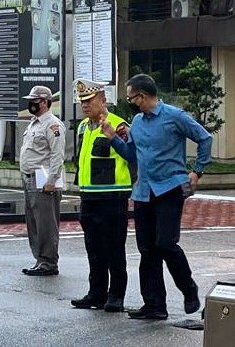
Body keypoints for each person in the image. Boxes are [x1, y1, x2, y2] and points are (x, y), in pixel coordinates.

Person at [100, 73, 212, 319]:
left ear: (142, 96)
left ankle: (188, 288)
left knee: (165, 243)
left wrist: (197, 172)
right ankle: (154, 305)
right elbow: (132, 155)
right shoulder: (137, 122)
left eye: (131, 98)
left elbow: (205, 138)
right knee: (147, 249)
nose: (131, 102)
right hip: (144, 192)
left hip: (170, 188)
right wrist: (112, 137)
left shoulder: (175, 116)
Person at [70, 79, 132, 313]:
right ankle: (96, 293)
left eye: (89, 101)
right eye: (82, 102)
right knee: (94, 249)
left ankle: (116, 295)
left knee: (114, 248)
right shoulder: (84, 127)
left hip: (112, 196)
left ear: (103, 101)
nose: (85, 105)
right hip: (89, 197)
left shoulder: (119, 126)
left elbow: (131, 157)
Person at [19, 85, 66, 276]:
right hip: (30, 177)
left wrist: (52, 180)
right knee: (34, 221)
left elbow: (57, 155)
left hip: (43, 177)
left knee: (46, 222)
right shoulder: (35, 123)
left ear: (46, 102)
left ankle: (48, 262)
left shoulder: (52, 125)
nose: (31, 104)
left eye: (35, 101)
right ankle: (40, 259)